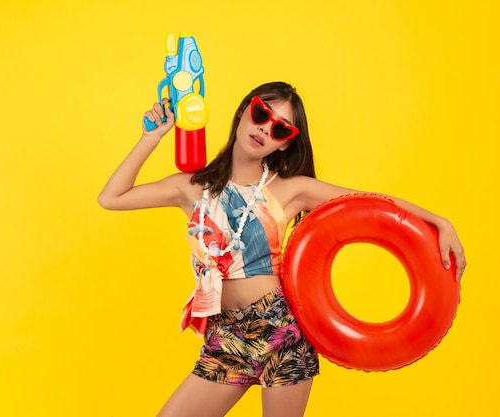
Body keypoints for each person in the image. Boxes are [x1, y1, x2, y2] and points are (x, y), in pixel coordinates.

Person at [97, 81, 466, 417]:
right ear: (244, 110)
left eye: (279, 128)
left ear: (285, 142)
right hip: (225, 336)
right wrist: (152, 137)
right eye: (261, 113)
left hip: (281, 332)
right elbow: (111, 198)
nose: (264, 128)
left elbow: (372, 202)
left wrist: (439, 221)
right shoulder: (190, 187)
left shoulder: (291, 188)